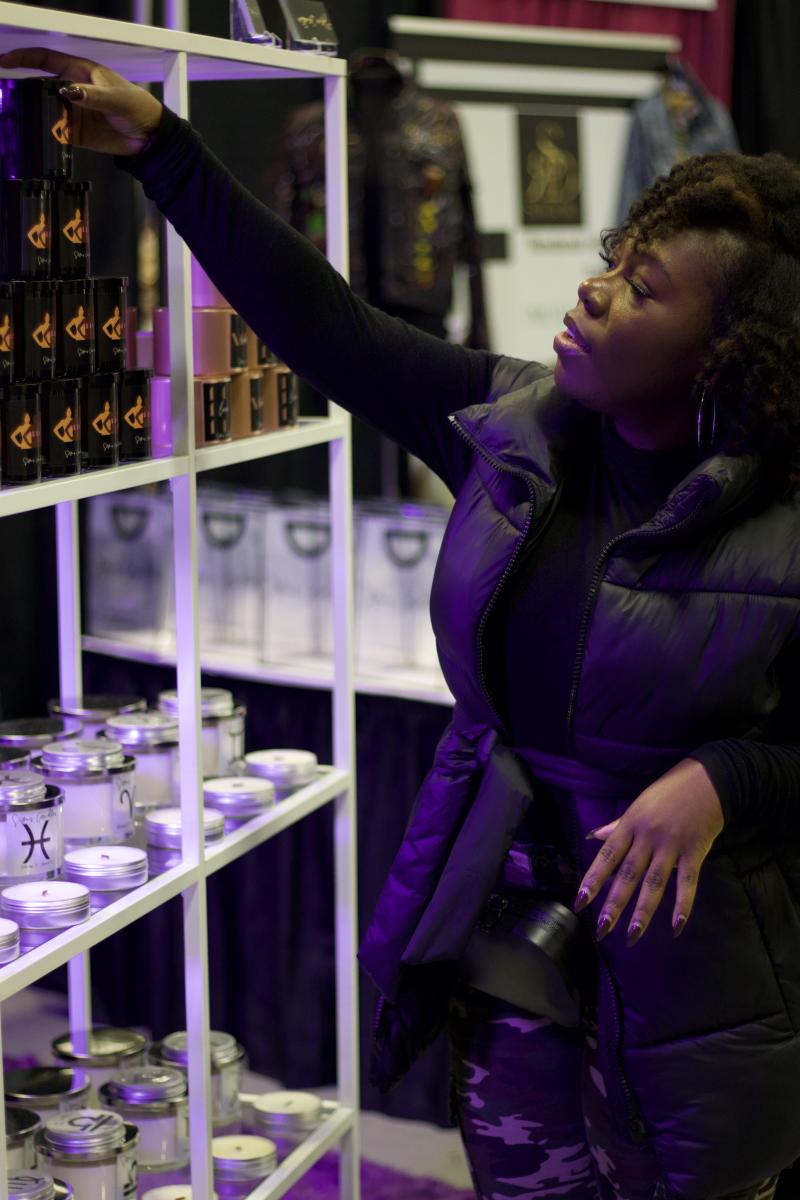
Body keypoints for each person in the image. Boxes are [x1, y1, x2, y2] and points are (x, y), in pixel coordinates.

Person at [6, 47, 800, 1200]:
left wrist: (726, 779)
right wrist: (160, 149)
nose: (592, 290)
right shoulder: (515, 426)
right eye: (609, 259)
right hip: (508, 936)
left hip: (698, 980)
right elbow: (326, 324)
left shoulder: (780, 517)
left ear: (725, 354)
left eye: (640, 287)